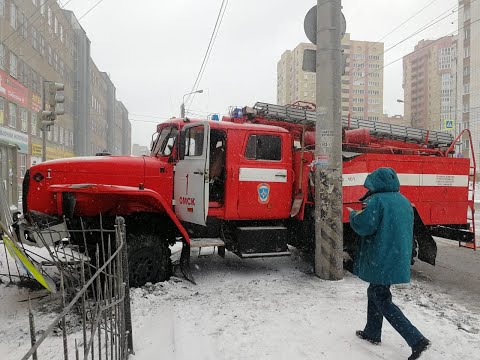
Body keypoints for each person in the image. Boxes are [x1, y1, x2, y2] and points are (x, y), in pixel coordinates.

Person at [348, 167, 431, 360]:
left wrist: (353, 216)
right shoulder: (403, 200)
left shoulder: (376, 201)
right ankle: (372, 332)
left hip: (381, 257)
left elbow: (365, 226)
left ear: (377, 183)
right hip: (396, 256)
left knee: (381, 297)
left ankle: (416, 339)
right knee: (375, 292)